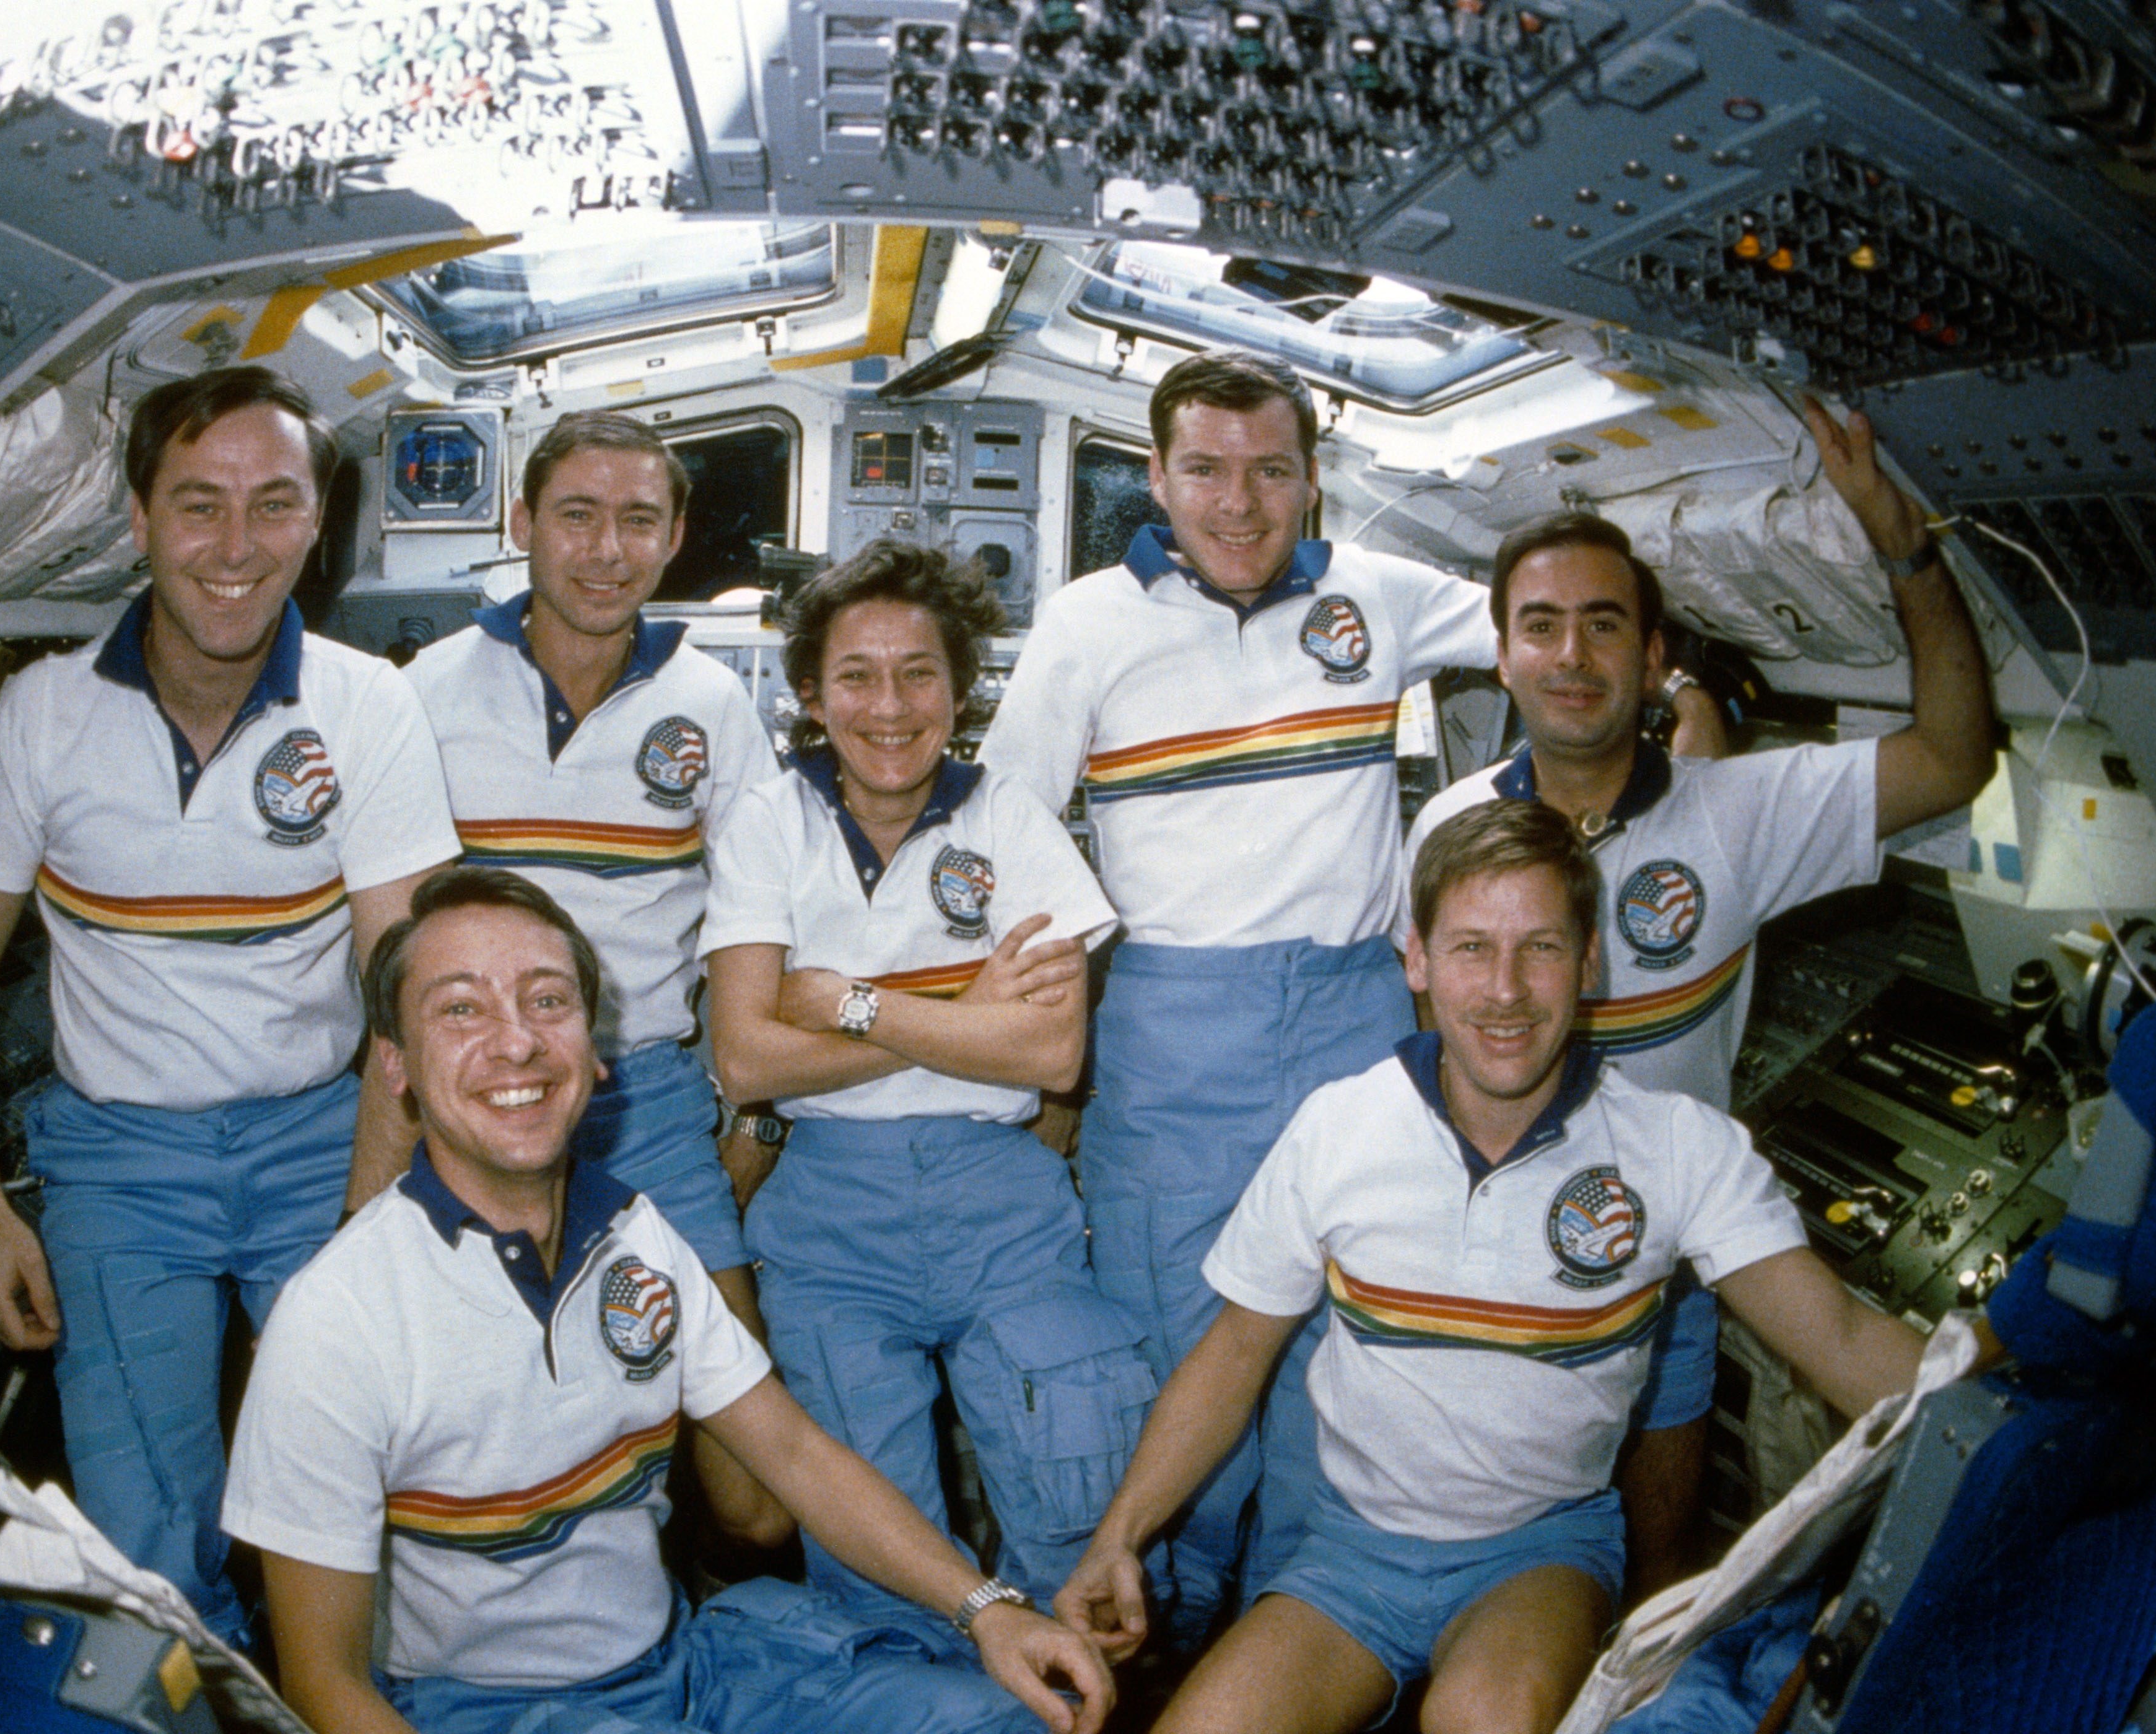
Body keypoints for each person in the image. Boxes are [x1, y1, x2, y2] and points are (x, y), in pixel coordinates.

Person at [1056, 800, 1967, 1734]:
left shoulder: (1678, 1150)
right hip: (1348, 1556)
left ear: (1589, 963)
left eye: (1539, 948)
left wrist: (2026, 1414)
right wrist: (1119, 1538)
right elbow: (1233, 1357)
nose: (1505, 990)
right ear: (1416, 959)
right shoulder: (1339, 1126)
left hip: (1539, 1555)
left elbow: (1846, 1338)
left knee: (1481, 1720)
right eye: (1470, 948)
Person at [221, 866, 1114, 1734]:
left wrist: (991, 1612)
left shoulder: (638, 1235)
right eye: (460, 1009)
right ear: (395, 1065)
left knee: (1003, 1716)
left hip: (689, 1668)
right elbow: (323, 1681)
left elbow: (797, 1455)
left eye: (548, 1001)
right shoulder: (337, 1314)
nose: (517, 1041)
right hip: (481, 1708)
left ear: (595, 1051)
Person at [1405, 398, 1994, 1600]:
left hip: (1669, 1242)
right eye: (1541, 626)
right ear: (1502, 654)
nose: (1571, 655)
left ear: (1655, 652)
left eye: (1603, 624)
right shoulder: (1449, 826)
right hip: (1505, 1252)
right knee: (1493, 1548)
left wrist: (1904, 545)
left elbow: (1952, 752)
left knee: (1664, 1552)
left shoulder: (1736, 814)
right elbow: (1439, 1055)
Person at [0, 365, 459, 1639]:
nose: (234, 547)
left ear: (315, 524)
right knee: (149, 1535)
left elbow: (404, 995)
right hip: (116, 1161)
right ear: (141, 518)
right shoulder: (41, 714)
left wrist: (369, 1230)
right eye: (197, 504)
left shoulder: (366, 705)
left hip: (322, 1135)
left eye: (273, 505)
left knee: (376, 1479)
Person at [977, 348, 1499, 1629]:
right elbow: (999, 823)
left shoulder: (1382, 594)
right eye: (1205, 469)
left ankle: (1302, 1628)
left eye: (1271, 470)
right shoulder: (1090, 621)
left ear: (1311, 481)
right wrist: (1046, 987)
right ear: (1155, 476)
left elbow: (1550, 628)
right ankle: (1163, 1617)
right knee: (1180, 1333)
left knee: (1345, 1344)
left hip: (1354, 1021)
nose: (1239, 502)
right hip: (1170, 1031)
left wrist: (1685, 694)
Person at [699, 539, 1155, 1640]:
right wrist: (969, 1020)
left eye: (919, 673)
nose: (890, 706)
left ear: (960, 689)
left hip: (1004, 1208)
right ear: (810, 693)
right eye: (856, 675)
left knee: (1074, 1496)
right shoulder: (771, 821)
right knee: (877, 1555)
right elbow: (749, 1061)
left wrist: (849, 1004)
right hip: (827, 1223)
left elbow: (1052, 1059)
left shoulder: (1007, 819)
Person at [401, 410, 786, 1542]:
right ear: (522, 525)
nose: (606, 550)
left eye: (636, 522)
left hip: (647, 1099)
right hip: (472, 1088)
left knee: (757, 1507)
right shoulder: (424, 693)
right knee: (476, 1419)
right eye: (577, 517)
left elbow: (759, 935)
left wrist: (754, 1122)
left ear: (672, 542)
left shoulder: (714, 709)